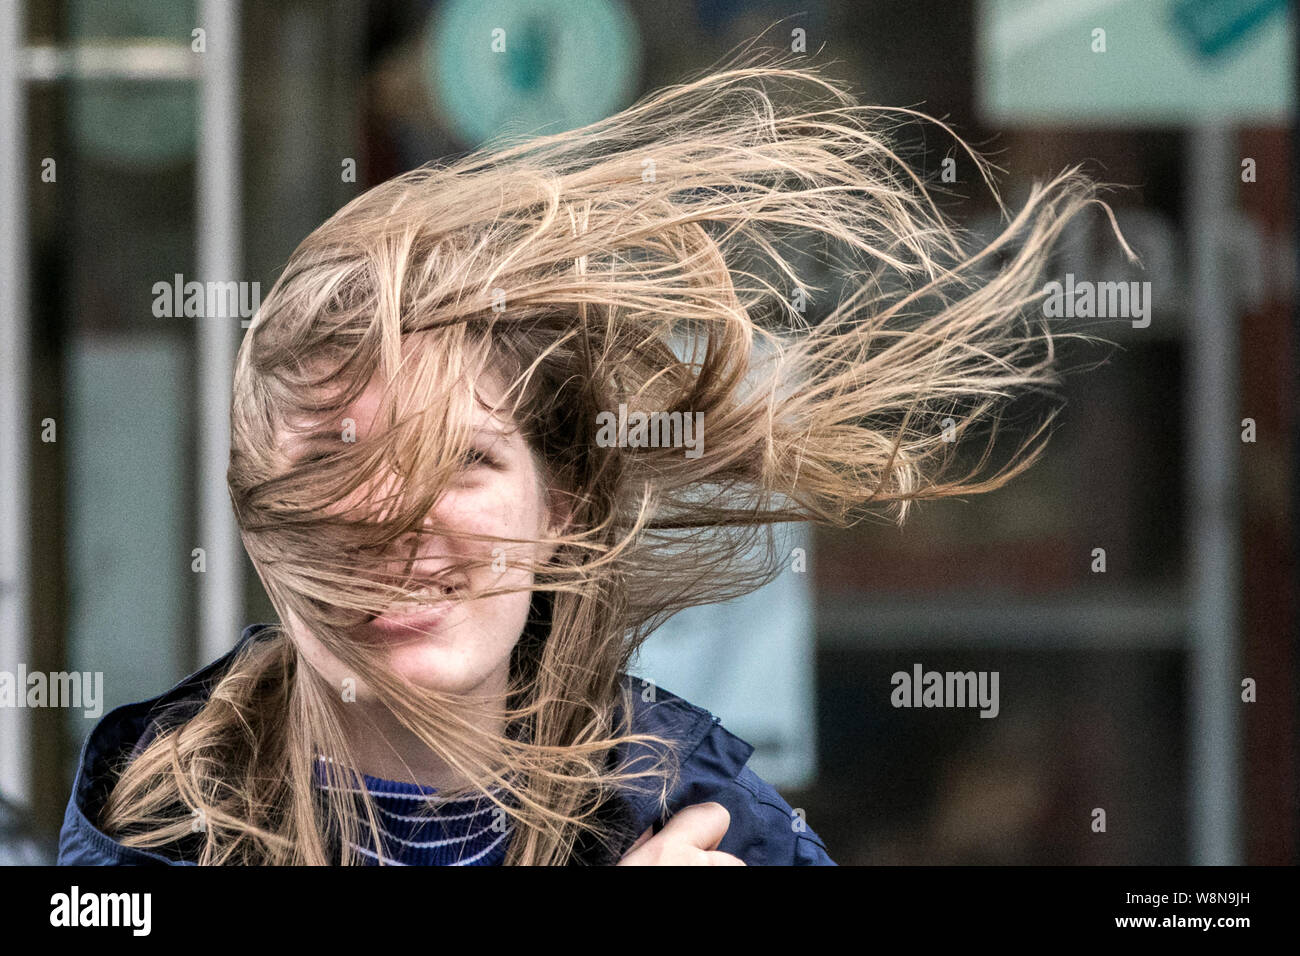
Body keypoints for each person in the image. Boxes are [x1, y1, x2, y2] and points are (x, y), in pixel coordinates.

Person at [57, 56, 1118, 866]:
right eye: (338, 457)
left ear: (557, 504)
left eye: (466, 461)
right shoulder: (154, 823)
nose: (399, 518)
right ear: (258, 513)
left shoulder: (697, 813)